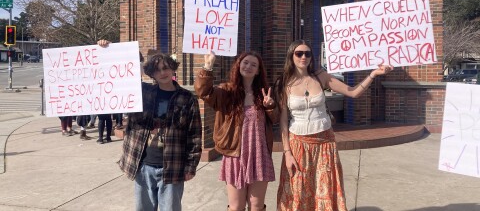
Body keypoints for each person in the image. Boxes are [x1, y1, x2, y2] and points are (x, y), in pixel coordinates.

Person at [276, 40, 393, 210]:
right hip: (297, 144)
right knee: (297, 189)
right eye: (299, 53)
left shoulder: (320, 77)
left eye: (307, 53)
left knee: (324, 188)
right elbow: (283, 121)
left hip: (325, 142)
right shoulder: (284, 83)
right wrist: (287, 153)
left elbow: (353, 92)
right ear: (291, 56)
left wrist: (373, 74)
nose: (303, 57)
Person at [98, 40, 202, 211]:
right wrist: (107, 50)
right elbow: (118, 76)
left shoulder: (187, 98)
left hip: (172, 167)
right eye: (157, 69)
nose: (162, 72)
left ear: (173, 69)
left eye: (166, 67)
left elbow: (195, 135)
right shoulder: (141, 92)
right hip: (143, 164)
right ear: (151, 73)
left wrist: (191, 166)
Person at [194, 51, 278, 211]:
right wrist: (208, 66)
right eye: (245, 62)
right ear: (239, 64)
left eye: (254, 64)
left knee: (257, 206)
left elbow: (275, 118)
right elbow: (203, 92)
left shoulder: (264, 93)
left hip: (259, 155)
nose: (249, 66)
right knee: (236, 206)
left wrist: (270, 107)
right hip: (234, 155)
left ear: (258, 70)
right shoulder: (226, 91)